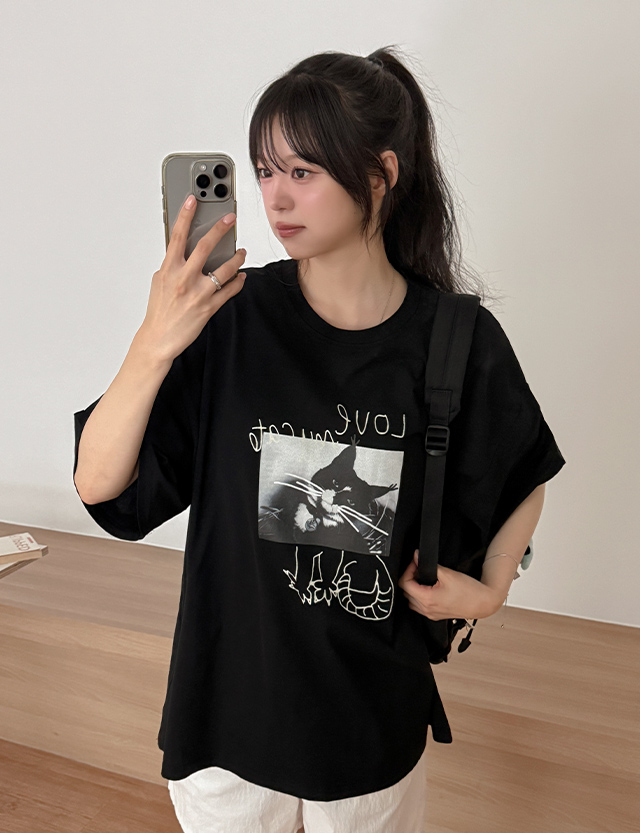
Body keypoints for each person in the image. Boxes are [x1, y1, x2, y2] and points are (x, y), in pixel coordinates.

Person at [73, 46, 566, 833]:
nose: (275, 197)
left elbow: (523, 468)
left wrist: (492, 587)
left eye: (302, 171)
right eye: (265, 171)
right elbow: (100, 485)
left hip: (369, 728)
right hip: (227, 723)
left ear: (380, 173)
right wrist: (154, 340)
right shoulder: (230, 318)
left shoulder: (456, 339)